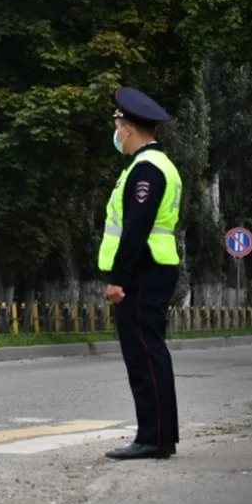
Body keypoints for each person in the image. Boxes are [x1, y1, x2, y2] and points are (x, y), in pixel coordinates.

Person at [98, 87, 182, 460]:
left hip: (144, 272)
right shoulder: (154, 165)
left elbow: (136, 229)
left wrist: (119, 278)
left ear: (128, 128)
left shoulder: (147, 170)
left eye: (117, 123)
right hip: (152, 269)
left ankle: (154, 437)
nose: (115, 131)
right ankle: (158, 435)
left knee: (145, 355)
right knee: (150, 351)